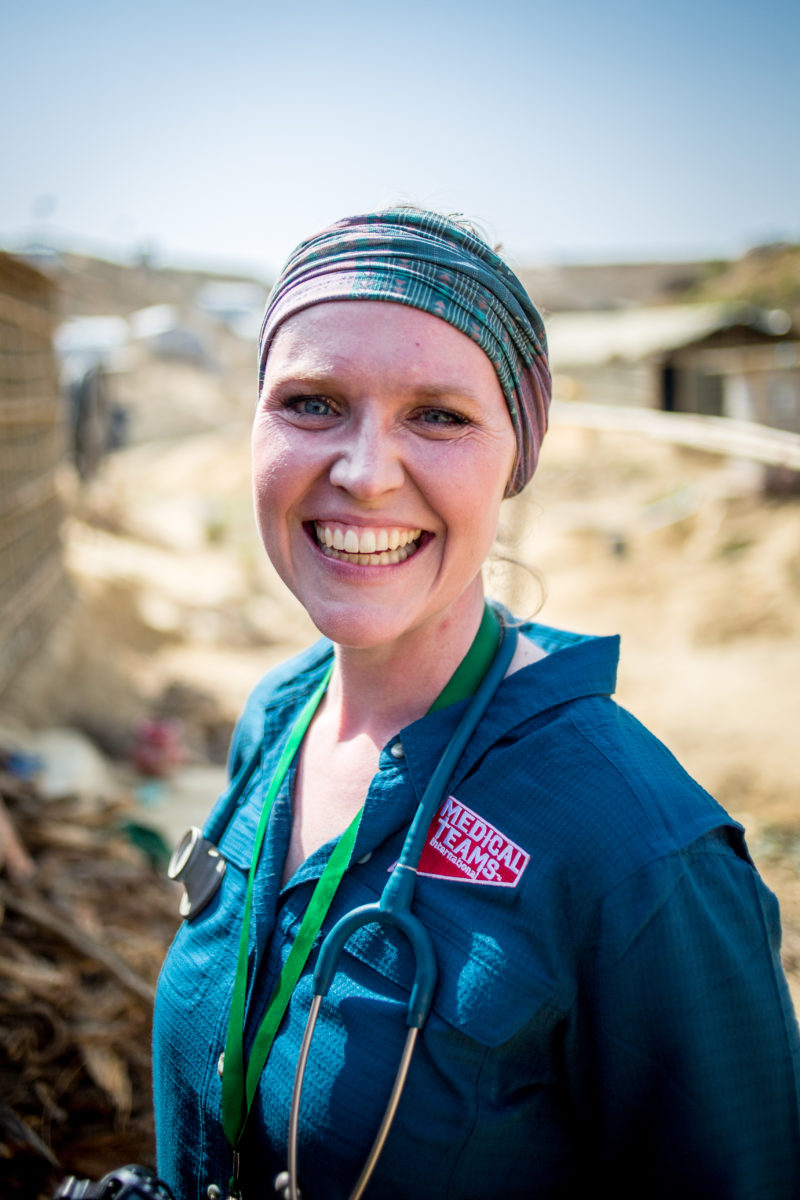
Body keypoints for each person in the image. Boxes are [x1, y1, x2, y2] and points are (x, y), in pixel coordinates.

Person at [152, 208, 800, 1200]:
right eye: (311, 403)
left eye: (438, 415)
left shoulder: (636, 854)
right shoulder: (273, 723)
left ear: (516, 456)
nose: (364, 473)